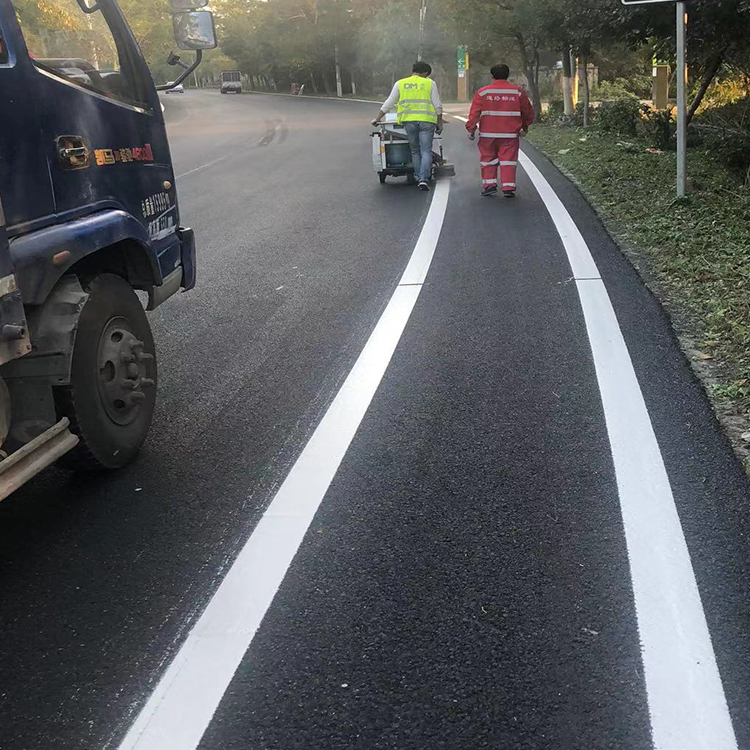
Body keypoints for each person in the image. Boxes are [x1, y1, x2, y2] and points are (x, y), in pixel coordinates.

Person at [373, 61, 444, 192]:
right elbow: (438, 105)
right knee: (426, 150)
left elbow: (389, 103)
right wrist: (439, 123)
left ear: (413, 71)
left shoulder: (400, 83)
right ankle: (424, 179)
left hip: (409, 122)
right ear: (425, 72)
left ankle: (418, 177)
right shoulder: (430, 83)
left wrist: (377, 119)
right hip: (427, 121)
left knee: (415, 150)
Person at [466, 64, 535, 198]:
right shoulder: (517, 92)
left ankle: (489, 185)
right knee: (508, 160)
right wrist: (524, 127)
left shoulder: (483, 92)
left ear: (492, 76)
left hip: (487, 135)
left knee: (488, 159)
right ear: (508, 75)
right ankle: (508, 187)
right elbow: (527, 112)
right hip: (509, 135)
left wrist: (471, 129)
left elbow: (474, 113)